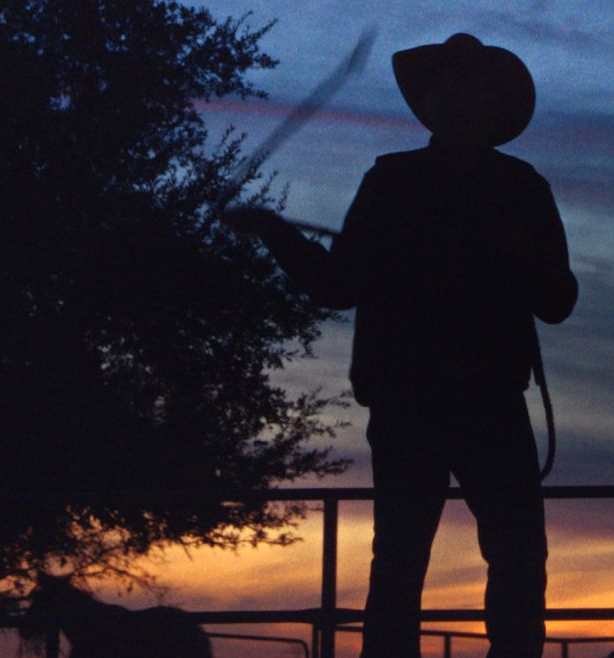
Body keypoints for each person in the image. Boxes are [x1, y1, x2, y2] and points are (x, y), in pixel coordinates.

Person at [224, 33, 576, 658]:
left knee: (485, 557)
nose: (454, 97)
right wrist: (276, 236)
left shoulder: (516, 189)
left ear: (486, 103)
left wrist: (524, 255)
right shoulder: (396, 181)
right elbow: (340, 285)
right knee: (432, 558)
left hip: (468, 400)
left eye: (465, 86)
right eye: (447, 86)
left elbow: (557, 301)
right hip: (431, 401)